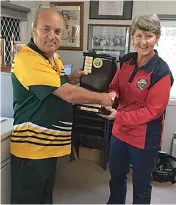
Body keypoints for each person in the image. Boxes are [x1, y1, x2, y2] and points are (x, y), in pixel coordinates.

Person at [10, 8, 113, 204]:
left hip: (49, 148)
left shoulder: (54, 58)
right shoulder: (28, 58)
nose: (52, 36)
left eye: (57, 31)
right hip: (32, 150)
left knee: (45, 198)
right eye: (46, 29)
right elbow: (69, 94)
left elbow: (57, 87)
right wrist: (103, 98)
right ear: (34, 31)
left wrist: (72, 78)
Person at [101, 14, 174, 204]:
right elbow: (114, 85)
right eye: (138, 35)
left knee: (141, 185)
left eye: (148, 36)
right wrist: (113, 95)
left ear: (157, 38)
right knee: (116, 177)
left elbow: (153, 111)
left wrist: (119, 115)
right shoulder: (126, 61)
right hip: (120, 132)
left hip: (144, 138)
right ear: (132, 36)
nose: (143, 42)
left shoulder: (161, 72)